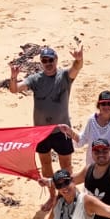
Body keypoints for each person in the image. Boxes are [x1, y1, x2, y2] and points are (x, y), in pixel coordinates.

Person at [8, 43, 83, 179]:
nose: (48, 63)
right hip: (41, 131)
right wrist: (13, 77)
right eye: (44, 60)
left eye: (50, 60)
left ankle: (66, 191)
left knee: (66, 165)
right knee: (45, 164)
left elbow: (76, 68)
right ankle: (52, 192)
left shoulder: (64, 76)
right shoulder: (35, 79)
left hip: (62, 131)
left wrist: (78, 59)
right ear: (41, 62)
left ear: (56, 60)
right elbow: (14, 89)